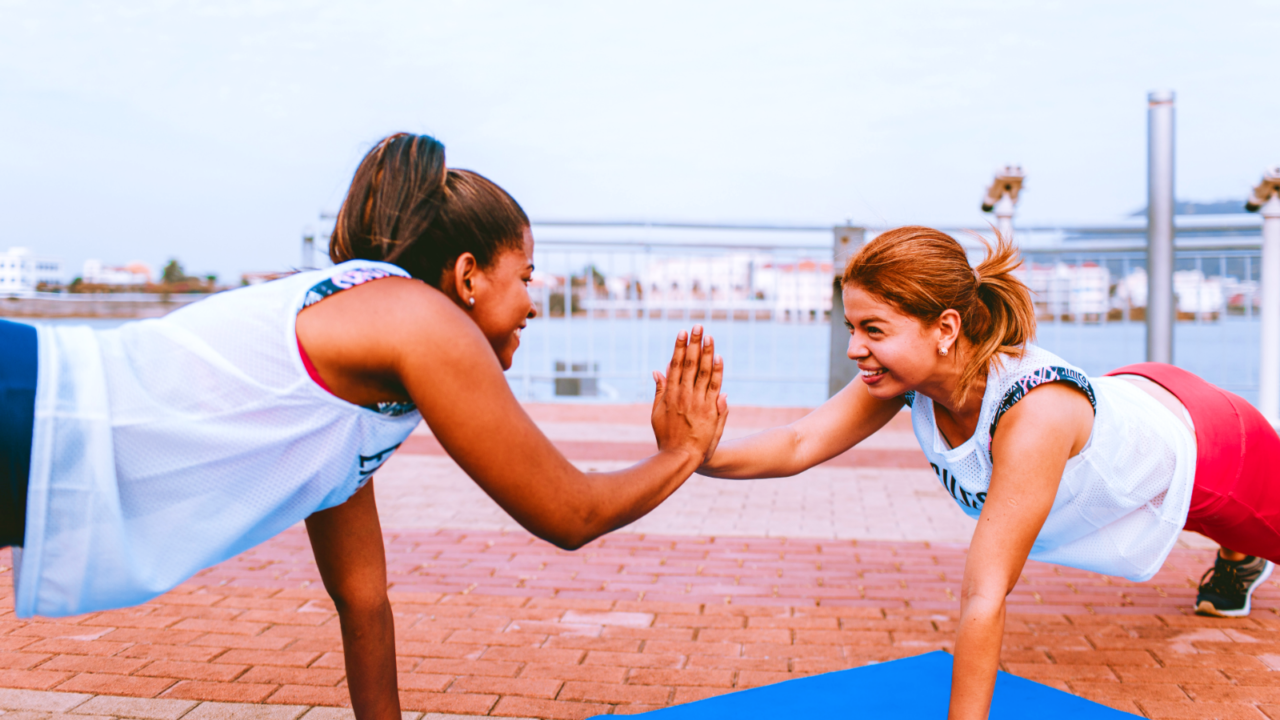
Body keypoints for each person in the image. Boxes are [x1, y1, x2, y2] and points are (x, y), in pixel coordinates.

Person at [0, 132, 728, 720]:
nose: (534, 305)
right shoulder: (419, 320)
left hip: (32, 429)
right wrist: (683, 450)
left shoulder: (365, 381)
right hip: (32, 404)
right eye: (526, 277)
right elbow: (569, 513)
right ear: (470, 275)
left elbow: (363, 597)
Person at [697, 225, 1277, 720]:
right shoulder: (909, 378)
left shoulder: (1033, 412)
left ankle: (1240, 552)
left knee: (1237, 520)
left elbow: (984, 592)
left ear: (945, 328)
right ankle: (1237, 554)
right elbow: (800, 442)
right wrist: (696, 453)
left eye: (873, 329)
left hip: (1212, 444)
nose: (854, 348)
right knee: (1197, 520)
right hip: (1132, 399)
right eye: (852, 327)